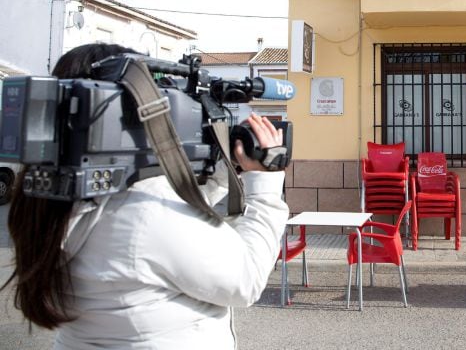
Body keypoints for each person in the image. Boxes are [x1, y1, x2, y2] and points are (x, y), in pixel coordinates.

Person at [1, 43, 289, 349]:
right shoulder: (143, 216)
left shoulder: (48, 201)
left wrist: (221, 174)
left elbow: (173, 217)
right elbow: (246, 280)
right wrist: (265, 185)